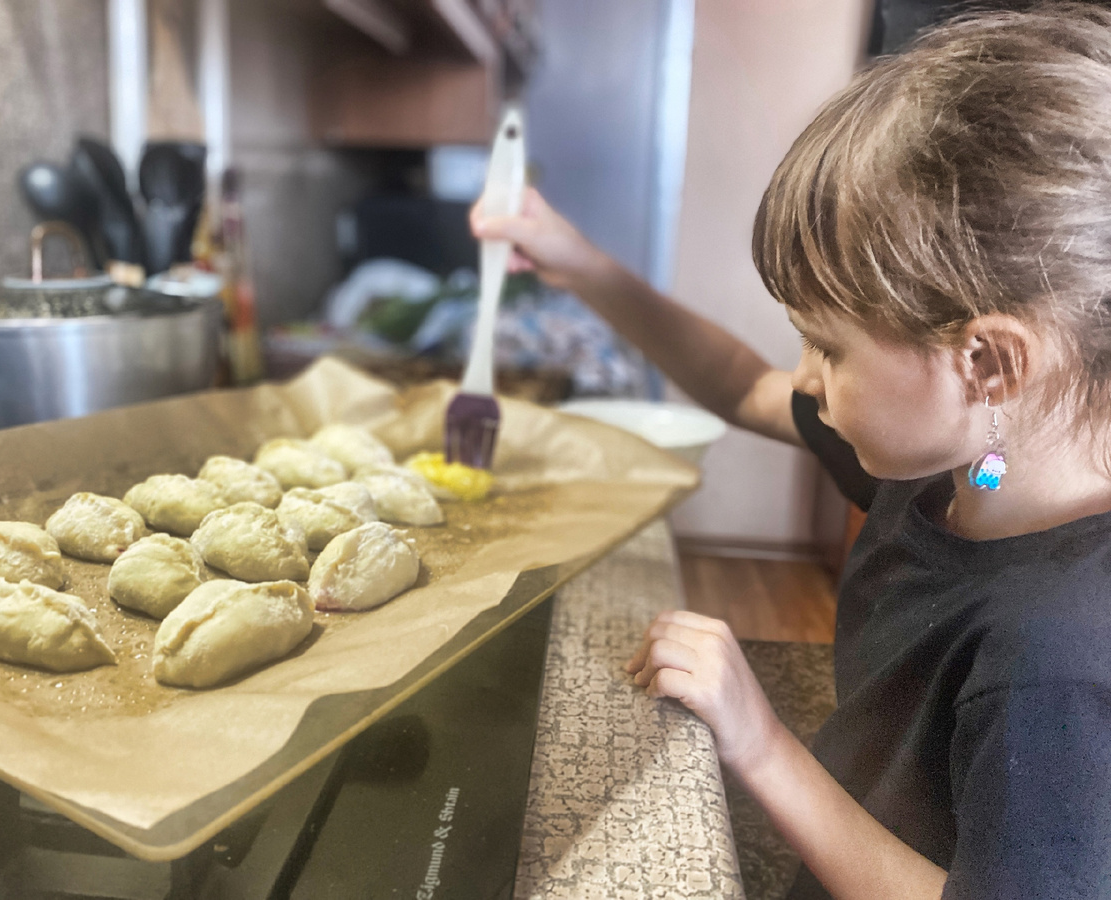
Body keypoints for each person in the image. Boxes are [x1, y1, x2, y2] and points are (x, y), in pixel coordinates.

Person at [473, 4, 1111, 898]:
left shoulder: (1060, 661)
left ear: (988, 361)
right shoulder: (956, 463)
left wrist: (759, 740)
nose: (805, 378)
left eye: (829, 347)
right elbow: (739, 385)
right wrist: (573, 259)